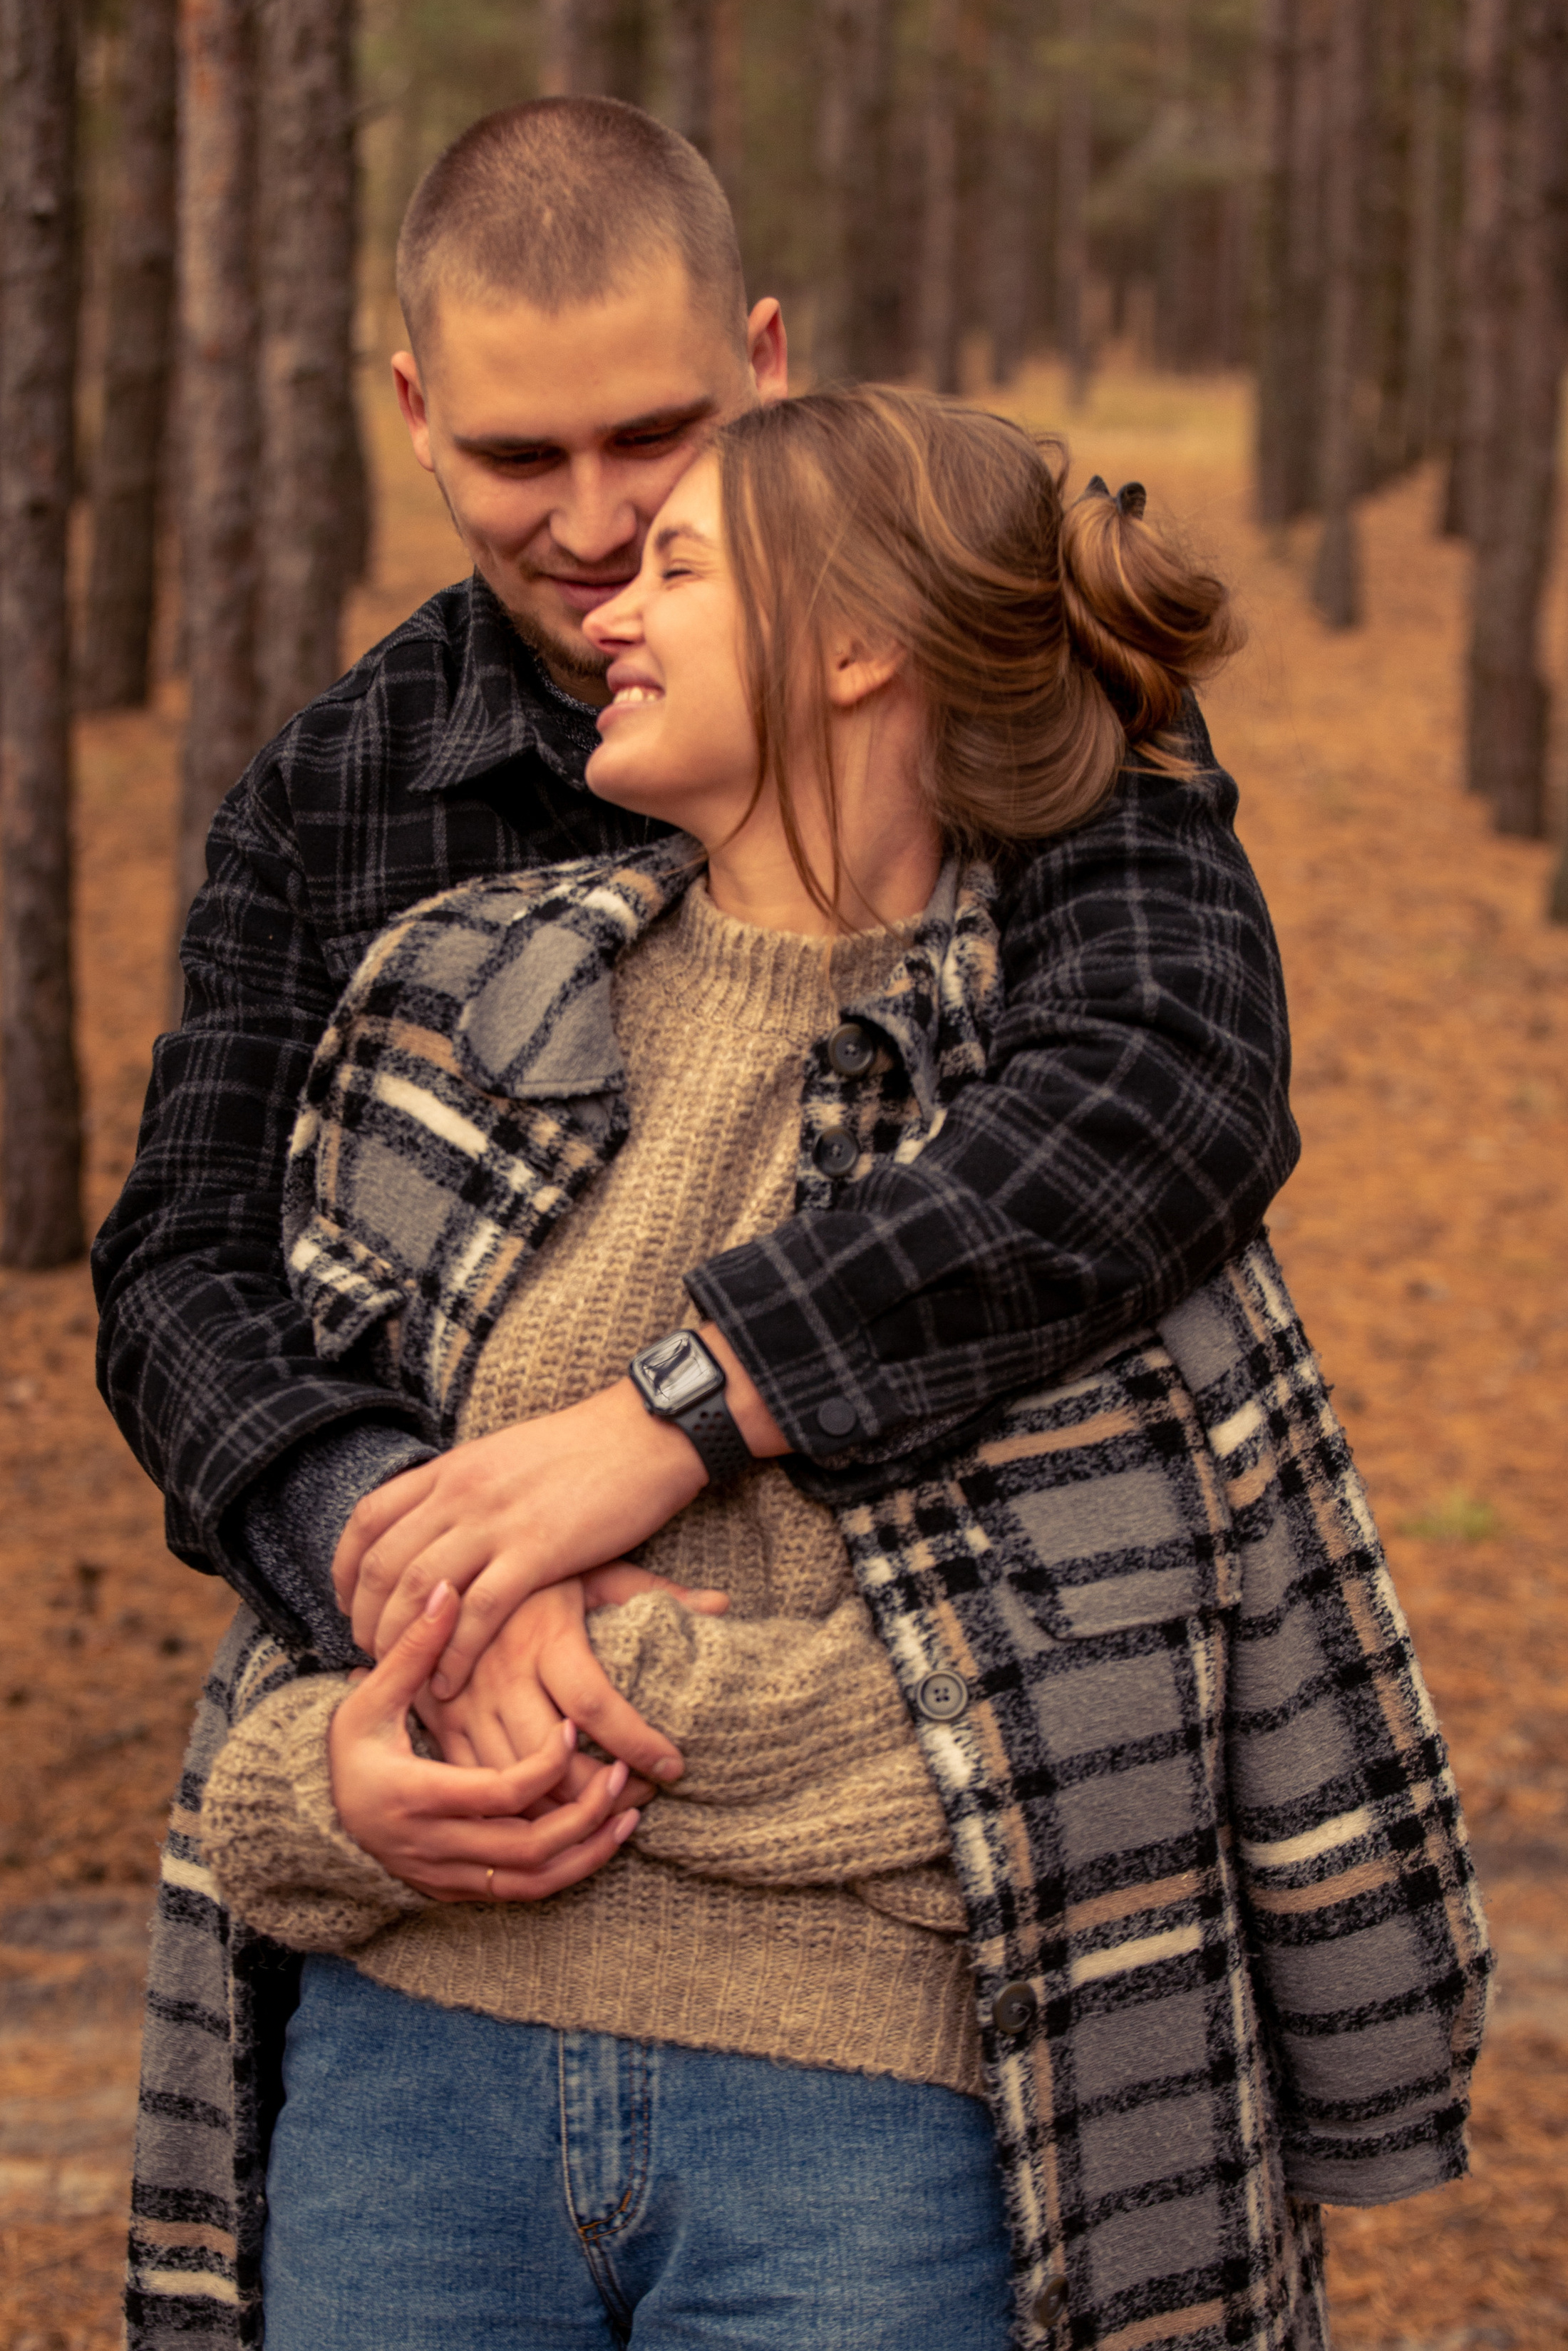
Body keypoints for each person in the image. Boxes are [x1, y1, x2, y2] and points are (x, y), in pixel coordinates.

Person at [124, 390, 1488, 2351]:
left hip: (861, 2133)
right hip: (403, 2107)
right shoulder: (455, 1006)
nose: (604, 608)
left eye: (677, 563)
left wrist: (571, 1660)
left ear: (858, 642)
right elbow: (273, 1640)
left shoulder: (1065, 1117)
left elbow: (1114, 1719)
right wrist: (334, 1787)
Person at [92, 96, 1300, 1811]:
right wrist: (419, 1571)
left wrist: (664, 1417)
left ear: (763, 358)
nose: (591, 528)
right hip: (452, 1797)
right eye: (520, 459)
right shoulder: (335, 796)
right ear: (416, 416)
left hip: (939, 1775)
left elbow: (1170, 1082)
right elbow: (181, 1266)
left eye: (653, 438)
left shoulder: (988, 675)